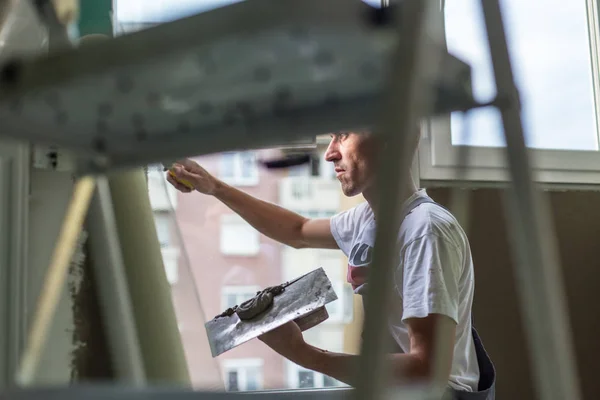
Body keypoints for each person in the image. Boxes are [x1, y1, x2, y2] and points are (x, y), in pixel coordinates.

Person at [166, 131, 495, 399]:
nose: (330, 153)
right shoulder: (368, 220)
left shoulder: (425, 230)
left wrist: (306, 355)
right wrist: (215, 187)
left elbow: (428, 370)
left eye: (344, 135)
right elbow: (296, 231)